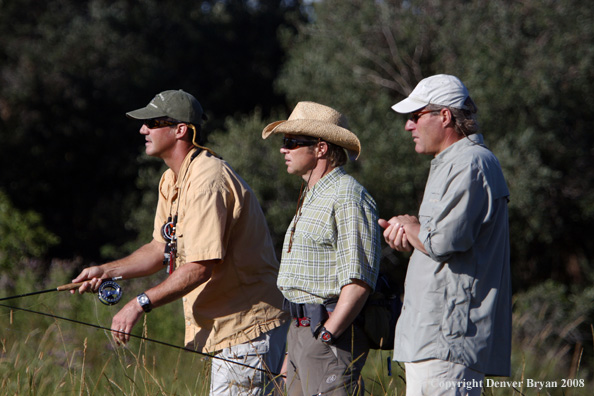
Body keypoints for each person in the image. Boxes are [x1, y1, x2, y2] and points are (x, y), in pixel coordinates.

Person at [71, 89, 289, 396]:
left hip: (247, 328)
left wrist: (138, 303)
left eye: (152, 122)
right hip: (228, 329)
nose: (142, 129)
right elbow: (160, 248)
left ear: (180, 130)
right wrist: (106, 271)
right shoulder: (172, 179)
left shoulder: (207, 182)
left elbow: (201, 267)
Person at [379, 74, 512, 395]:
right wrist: (410, 235)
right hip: (435, 338)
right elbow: (446, 244)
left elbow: (443, 241)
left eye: (415, 116)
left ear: (445, 116)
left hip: (447, 340)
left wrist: (410, 227)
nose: (408, 126)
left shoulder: (469, 164)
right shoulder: (456, 162)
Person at [261, 101, 381, 396]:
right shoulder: (313, 196)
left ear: (321, 148)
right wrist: (297, 345)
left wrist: (327, 333)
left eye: (291, 142)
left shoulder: (347, 196)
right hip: (301, 333)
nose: (283, 149)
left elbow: (359, 280)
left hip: (328, 335)